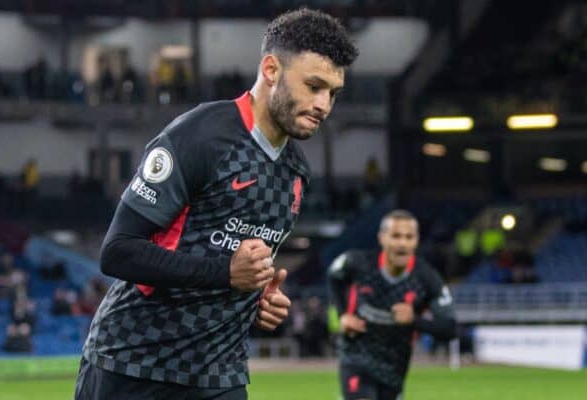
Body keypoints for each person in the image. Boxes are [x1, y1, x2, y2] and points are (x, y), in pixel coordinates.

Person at [75, 8, 358, 400]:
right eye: (313, 86)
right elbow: (118, 252)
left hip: (220, 377)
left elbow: (228, 262)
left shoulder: (296, 173)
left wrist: (258, 298)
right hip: (133, 366)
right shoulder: (202, 136)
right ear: (271, 70)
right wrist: (226, 274)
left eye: (333, 93)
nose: (324, 105)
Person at [328, 210, 457, 400]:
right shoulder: (357, 263)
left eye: (409, 237)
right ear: (382, 238)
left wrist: (415, 320)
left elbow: (451, 328)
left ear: (416, 240)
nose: (402, 243)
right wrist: (342, 316)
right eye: (396, 236)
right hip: (357, 356)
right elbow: (334, 277)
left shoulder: (427, 278)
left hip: (394, 368)